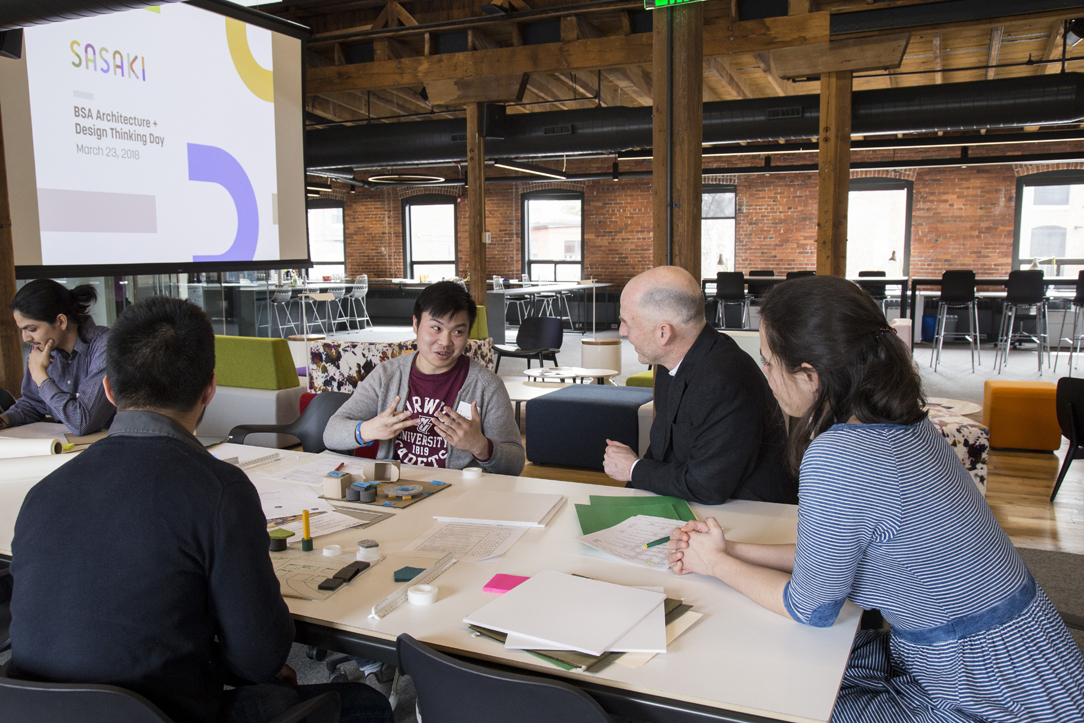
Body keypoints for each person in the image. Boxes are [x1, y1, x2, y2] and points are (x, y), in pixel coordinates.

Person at [667, 276, 1084, 722]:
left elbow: (811, 608)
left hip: (985, 694)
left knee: (759, 693)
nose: (764, 374)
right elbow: (832, 560)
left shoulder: (840, 454)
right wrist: (729, 551)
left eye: (768, 362)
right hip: (1032, 664)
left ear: (810, 376)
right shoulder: (905, 422)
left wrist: (716, 565)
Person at [8, 297, 393, 723]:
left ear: (109, 389)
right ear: (210, 388)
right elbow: (260, 659)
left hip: (35, 711)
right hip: (163, 713)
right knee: (365, 706)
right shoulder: (218, 491)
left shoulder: (41, 493)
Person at [603, 265, 796, 505]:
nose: (622, 332)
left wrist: (633, 468)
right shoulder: (671, 362)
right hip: (697, 505)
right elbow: (663, 452)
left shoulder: (723, 380)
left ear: (664, 333)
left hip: (752, 513)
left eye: (626, 323)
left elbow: (707, 486)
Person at [324, 280, 524, 475]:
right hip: (394, 492)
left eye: (458, 332)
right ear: (416, 324)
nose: (445, 342)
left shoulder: (486, 386)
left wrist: (481, 446)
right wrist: (367, 430)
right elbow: (331, 433)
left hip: (459, 498)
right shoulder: (387, 376)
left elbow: (515, 464)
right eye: (436, 328)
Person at [0, 279, 114, 435]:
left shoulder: (105, 345)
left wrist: (40, 375)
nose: (25, 338)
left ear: (61, 321)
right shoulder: (44, 349)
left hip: (105, 448)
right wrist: (4, 420)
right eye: (22, 330)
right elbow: (33, 405)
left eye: (31, 329)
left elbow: (82, 422)